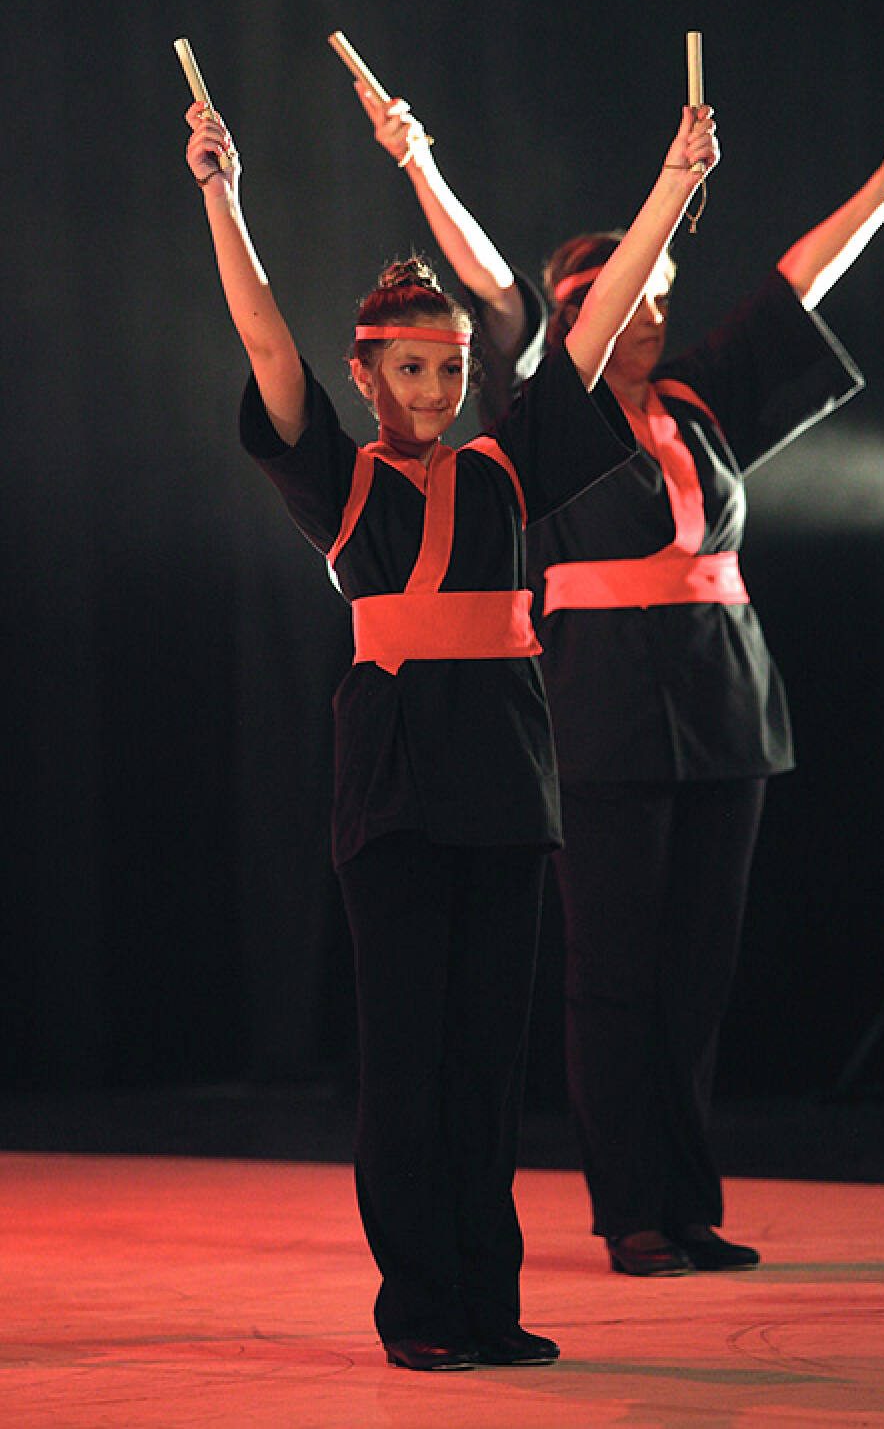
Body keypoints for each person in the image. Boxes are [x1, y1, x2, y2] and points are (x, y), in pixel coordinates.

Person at [354, 78, 884, 1276]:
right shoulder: (549, 408)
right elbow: (489, 283)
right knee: (614, 969)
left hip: (723, 697)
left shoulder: (694, 401)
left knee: (696, 971)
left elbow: (795, 287)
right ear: (582, 311)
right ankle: (629, 1206)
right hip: (603, 706)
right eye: (631, 293)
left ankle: (687, 1201)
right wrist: (418, 160)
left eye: (663, 294)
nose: (650, 312)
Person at [183, 91, 717, 1367]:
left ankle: (487, 1301)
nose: (433, 388)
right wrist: (221, 194)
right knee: (408, 1061)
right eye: (411, 370)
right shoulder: (341, 478)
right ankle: (420, 1310)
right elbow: (263, 337)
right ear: (367, 376)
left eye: (450, 369)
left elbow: (591, 329)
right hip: (395, 789)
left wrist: (673, 181)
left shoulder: (505, 468)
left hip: (507, 784)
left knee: (484, 1064)